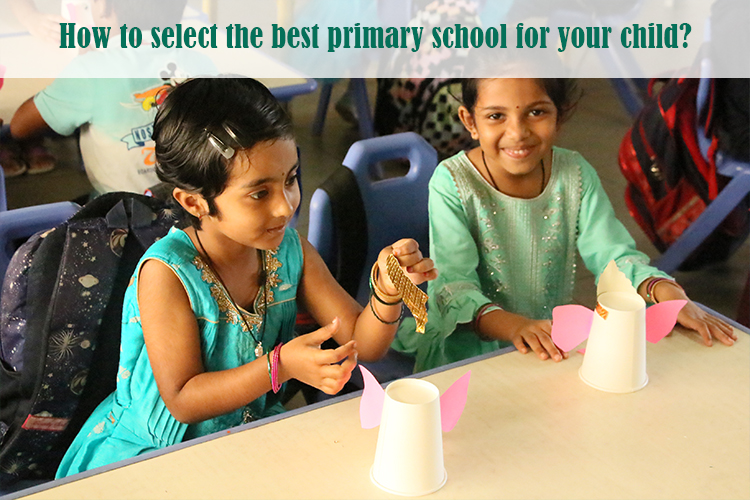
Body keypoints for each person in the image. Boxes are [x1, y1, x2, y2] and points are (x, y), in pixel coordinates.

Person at [56, 78, 437, 477]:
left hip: (245, 438)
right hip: (156, 456)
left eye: (290, 179)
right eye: (259, 193)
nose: (285, 207)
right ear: (194, 201)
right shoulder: (166, 274)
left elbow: (365, 343)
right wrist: (280, 366)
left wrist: (387, 293)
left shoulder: (289, 251)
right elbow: (183, 399)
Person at [393, 78, 737, 373]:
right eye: (496, 116)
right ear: (470, 121)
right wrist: (519, 327)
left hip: (551, 347)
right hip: (466, 356)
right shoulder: (452, 182)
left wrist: (670, 296)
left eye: (537, 112)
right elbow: (454, 289)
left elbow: (613, 257)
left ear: (561, 113)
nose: (518, 132)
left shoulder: (574, 174)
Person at [9, 0, 214, 197]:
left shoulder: (91, 71)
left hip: (121, 215)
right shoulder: (203, 64)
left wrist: (83, 66)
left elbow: (19, 126)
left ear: (105, 6)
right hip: (194, 209)